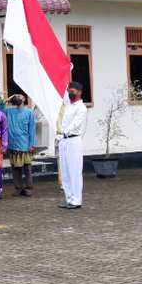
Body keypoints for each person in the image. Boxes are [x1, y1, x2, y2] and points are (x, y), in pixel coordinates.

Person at [56, 81, 87, 209]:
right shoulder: (68, 104)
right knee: (65, 172)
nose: (70, 93)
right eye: (69, 91)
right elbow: (61, 89)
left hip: (73, 140)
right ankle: (69, 198)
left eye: (73, 91)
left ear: (79, 92)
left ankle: (76, 200)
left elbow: (75, 123)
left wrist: (63, 132)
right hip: (64, 140)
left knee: (74, 171)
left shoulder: (81, 108)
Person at [3, 93, 37, 196]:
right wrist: (7, 100)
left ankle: (28, 188)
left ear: (24, 99)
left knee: (27, 168)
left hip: (25, 144)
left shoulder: (29, 112)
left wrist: (31, 144)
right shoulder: (9, 110)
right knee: (15, 168)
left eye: (19, 96)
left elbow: (32, 129)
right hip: (13, 144)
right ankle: (18, 188)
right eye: (16, 97)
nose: (17, 98)